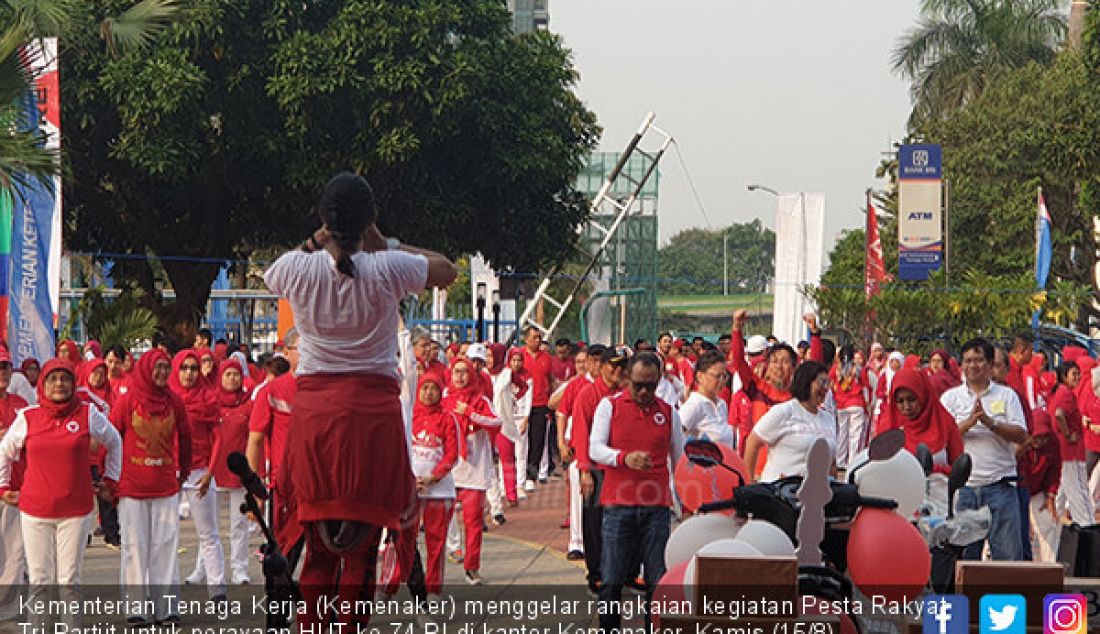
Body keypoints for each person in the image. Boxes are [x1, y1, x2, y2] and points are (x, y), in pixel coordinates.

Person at [263, 172, 455, 627]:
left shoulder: (297, 267)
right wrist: (382, 241)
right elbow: (445, 268)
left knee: (317, 546)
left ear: (322, 219)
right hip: (372, 416)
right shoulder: (388, 265)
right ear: (371, 218)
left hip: (315, 415)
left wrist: (320, 238)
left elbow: (273, 272)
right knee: (363, 551)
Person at [0, 359, 121, 628]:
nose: (59, 384)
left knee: (69, 580)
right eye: (53, 379)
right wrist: (4, 487)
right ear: (42, 384)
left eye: (65, 379)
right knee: (40, 580)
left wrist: (110, 480)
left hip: (75, 513)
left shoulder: (87, 413)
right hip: (35, 512)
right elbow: (5, 451)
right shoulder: (28, 417)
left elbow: (114, 441)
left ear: (73, 383)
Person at [589, 352, 684, 633]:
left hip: (656, 508)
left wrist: (684, 502)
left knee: (657, 581)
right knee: (611, 581)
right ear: (627, 378)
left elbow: (680, 461)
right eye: (638, 384)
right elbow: (595, 448)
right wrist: (623, 458)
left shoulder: (669, 413)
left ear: (660, 381)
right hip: (619, 505)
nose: (644, 391)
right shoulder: (610, 406)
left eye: (651, 385)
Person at [112, 350, 193, 626]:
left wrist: (183, 472)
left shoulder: (175, 402)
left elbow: (185, 436)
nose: (161, 373)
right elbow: (112, 438)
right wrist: (112, 480)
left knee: (166, 546)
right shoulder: (126, 401)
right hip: (132, 488)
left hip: (166, 487)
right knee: (134, 547)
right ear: (146, 368)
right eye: (157, 367)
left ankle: (167, 608)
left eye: (166, 367)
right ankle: (136, 608)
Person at [940, 338, 1028, 561]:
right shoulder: (951, 398)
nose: (973, 365)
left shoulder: (1006, 396)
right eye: (968, 361)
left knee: (1007, 561)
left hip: (1000, 487)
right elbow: (940, 437)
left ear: (990, 365)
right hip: (964, 491)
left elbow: (1021, 435)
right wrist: (968, 423)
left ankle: (1005, 598)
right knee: (963, 563)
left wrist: (991, 424)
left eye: (979, 360)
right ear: (961, 366)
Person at [170, 350, 227, 599]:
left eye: (193, 368)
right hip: (170, 473)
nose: (189, 373)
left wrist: (210, 473)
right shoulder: (166, 399)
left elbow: (218, 438)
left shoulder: (208, 398)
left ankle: (217, 589)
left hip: (200, 472)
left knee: (208, 533)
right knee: (166, 537)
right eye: (183, 368)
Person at [572, 346, 627, 595]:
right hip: (595, 469)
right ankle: (594, 574)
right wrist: (585, 470)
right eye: (613, 366)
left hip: (619, 468)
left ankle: (620, 572)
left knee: (621, 522)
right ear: (601, 366)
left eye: (621, 367)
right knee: (594, 521)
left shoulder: (625, 394)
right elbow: (580, 433)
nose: (618, 371)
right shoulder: (588, 395)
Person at [444, 358, 502, 585]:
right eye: (456, 371)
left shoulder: (480, 400)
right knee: (439, 522)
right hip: (448, 470)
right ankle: (442, 563)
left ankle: (471, 567)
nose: (459, 376)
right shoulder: (444, 399)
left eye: (464, 372)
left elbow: (496, 423)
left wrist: (470, 413)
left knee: (473, 523)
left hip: (474, 472)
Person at [405, 374, 459, 599]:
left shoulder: (448, 418)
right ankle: (387, 587)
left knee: (435, 543)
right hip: (410, 491)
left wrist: (434, 477)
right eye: (424, 387)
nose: (429, 392)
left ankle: (433, 589)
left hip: (440, 491)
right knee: (403, 540)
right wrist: (410, 480)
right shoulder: (409, 417)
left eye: (433, 388)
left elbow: (453, 454)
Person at [742, 361, 836, 482]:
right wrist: (749, 484)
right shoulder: (784, 411)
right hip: (780, 493)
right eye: (822, 382)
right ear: (806, 382)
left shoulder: (828, 419)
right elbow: (752, 443)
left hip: (816, 496)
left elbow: (832, 464)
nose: (826, 388)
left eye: (828, 383)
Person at [209, 358, 254, 584]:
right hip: (214, 471)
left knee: (239, 523)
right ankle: (205, 569)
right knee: (210, 525)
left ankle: (240, 569)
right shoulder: (211, 403)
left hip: (239, 472)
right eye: (227, 374)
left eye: (236, 374)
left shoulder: (248, 405)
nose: (232, 379)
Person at [554, 345, 601, 560]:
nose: (595, 365)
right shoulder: (576, 386)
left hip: (602, 454)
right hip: (577, 450)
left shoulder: (613, 387)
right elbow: (561, 413)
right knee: (578, 497)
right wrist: (561, 443)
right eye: (590, 361)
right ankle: (577, 543)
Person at [876, 369, 963, 474]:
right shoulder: (888, 427)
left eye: (912, 399)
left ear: (923, 395)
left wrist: (935, 470)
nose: (907, 407)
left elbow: (958, 468)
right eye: (900, 401)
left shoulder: (944, 423)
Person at [0, 348, 31, 618]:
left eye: (7, 367)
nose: (3, 373)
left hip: (13, 486)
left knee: (13, 547)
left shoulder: (21, 403)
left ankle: (8, 605)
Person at [1048, 362, 1094, 526]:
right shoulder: (1066, 394)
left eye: (1078, 373)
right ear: (1063, 376)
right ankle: (1088, 527)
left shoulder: (1060, 392)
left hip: (1063, 451)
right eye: (1074, 374)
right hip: (1071, 451)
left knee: (1063, 491)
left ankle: (1054, 526)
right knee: (1079, 492)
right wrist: (1068, 434)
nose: (1078, 377)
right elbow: (1059, 414)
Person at [1021, 409, 1061, 562]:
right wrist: (1025, 517)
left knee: (1048, 524)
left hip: (1038, 489)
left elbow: (1054, 470)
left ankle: (1049, 568)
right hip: (1016, 489)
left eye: (1044, 437)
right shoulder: (1020, 442)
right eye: (1037, 437)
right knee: (1013, 529)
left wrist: (1051, 495)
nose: (1040, 441)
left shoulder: (1053, 442)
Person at [521, 326, 557, 488]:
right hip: (521, 406)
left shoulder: (547, 358)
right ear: (526, 339)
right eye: (534, 337)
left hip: (541, 404)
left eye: (539, 337)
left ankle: (531, 475)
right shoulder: (518, 356)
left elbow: (551, 380)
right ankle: (519, 474)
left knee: (538, 440)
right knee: (522, 442)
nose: (538, 340)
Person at [679, 351, 733, 447]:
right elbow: (675, 436)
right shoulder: (694, 405)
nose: (722, 381)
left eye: (724, 376)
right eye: (717, 376)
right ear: (700, 376)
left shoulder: (722, 404)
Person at [832, 348, 871, 469]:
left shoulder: (836, 369)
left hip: (841, 405)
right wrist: (868, 404)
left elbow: (831, 386)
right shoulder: (859, 369)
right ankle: (853, 461)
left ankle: (840, 461)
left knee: (841, 434)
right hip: (856, 403)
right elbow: (866, 388)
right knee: (855, 434)